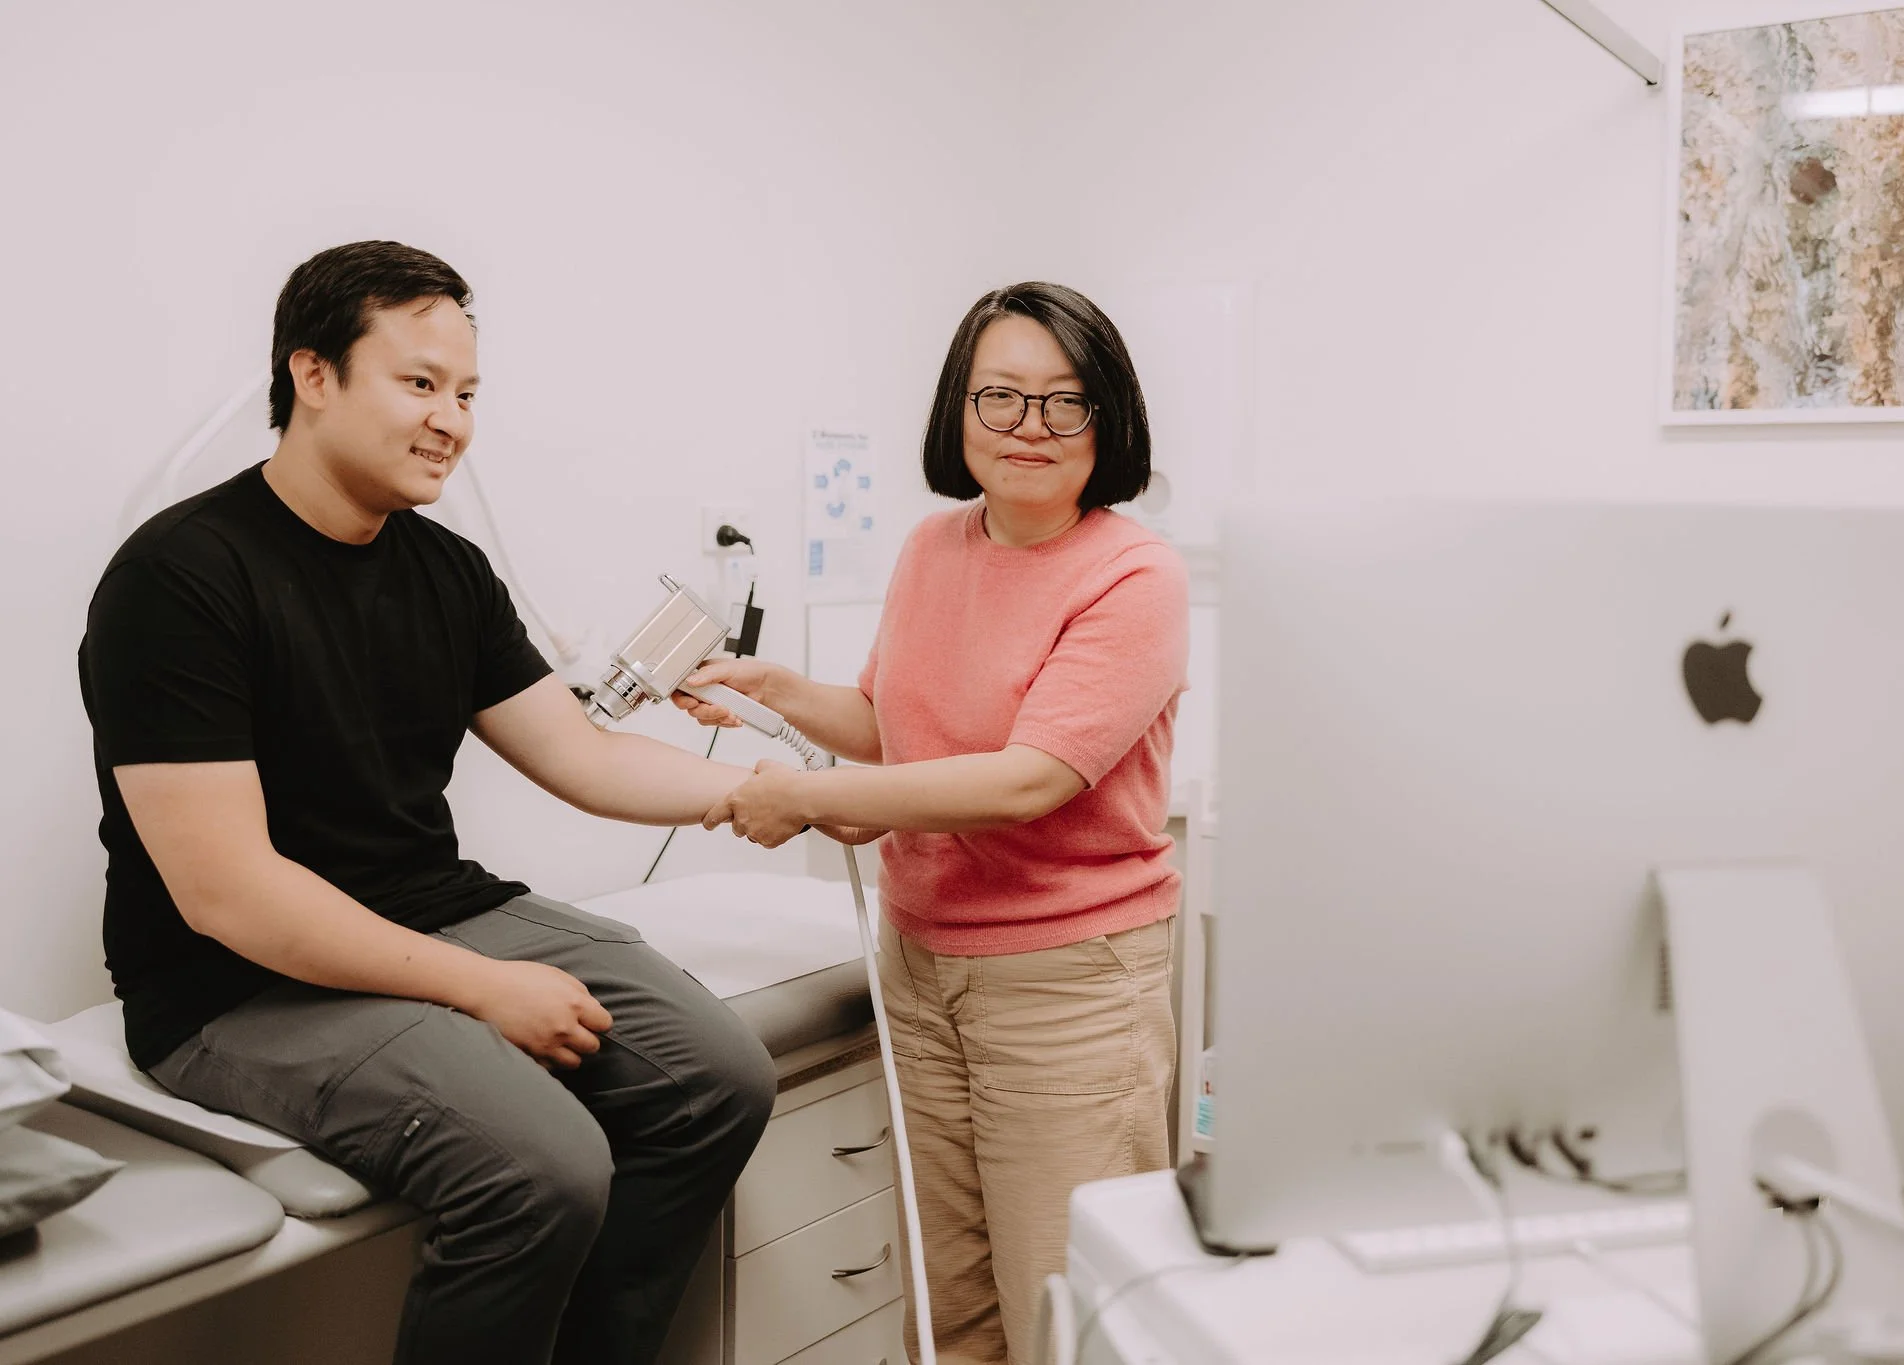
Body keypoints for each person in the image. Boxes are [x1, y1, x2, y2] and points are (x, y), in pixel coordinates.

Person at [77, 241, 776, 1365]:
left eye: (465, 393)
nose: (450, 420)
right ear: (312, 376)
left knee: (718, 1075)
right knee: (541, 1163)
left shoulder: (445, 570)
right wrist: (484, 989)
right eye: (418, 384)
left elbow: (580, 759)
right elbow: (228, 896)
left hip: (426, 908)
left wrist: (761, 793)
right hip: (232, 986)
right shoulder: (180, 579)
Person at [678, 281, 1187, 1365]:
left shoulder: (1132, 576)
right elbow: (886, 726)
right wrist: (770, 687)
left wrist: (809, 798)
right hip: (919, 970)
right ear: (958, 410)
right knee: (950, 1307)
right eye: (999, 397)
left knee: (1066, 1315)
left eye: (1065, 401)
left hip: (1066, 989)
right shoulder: (930, 549)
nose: (1029, 428)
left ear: (1110, 417)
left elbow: (1022, 780)